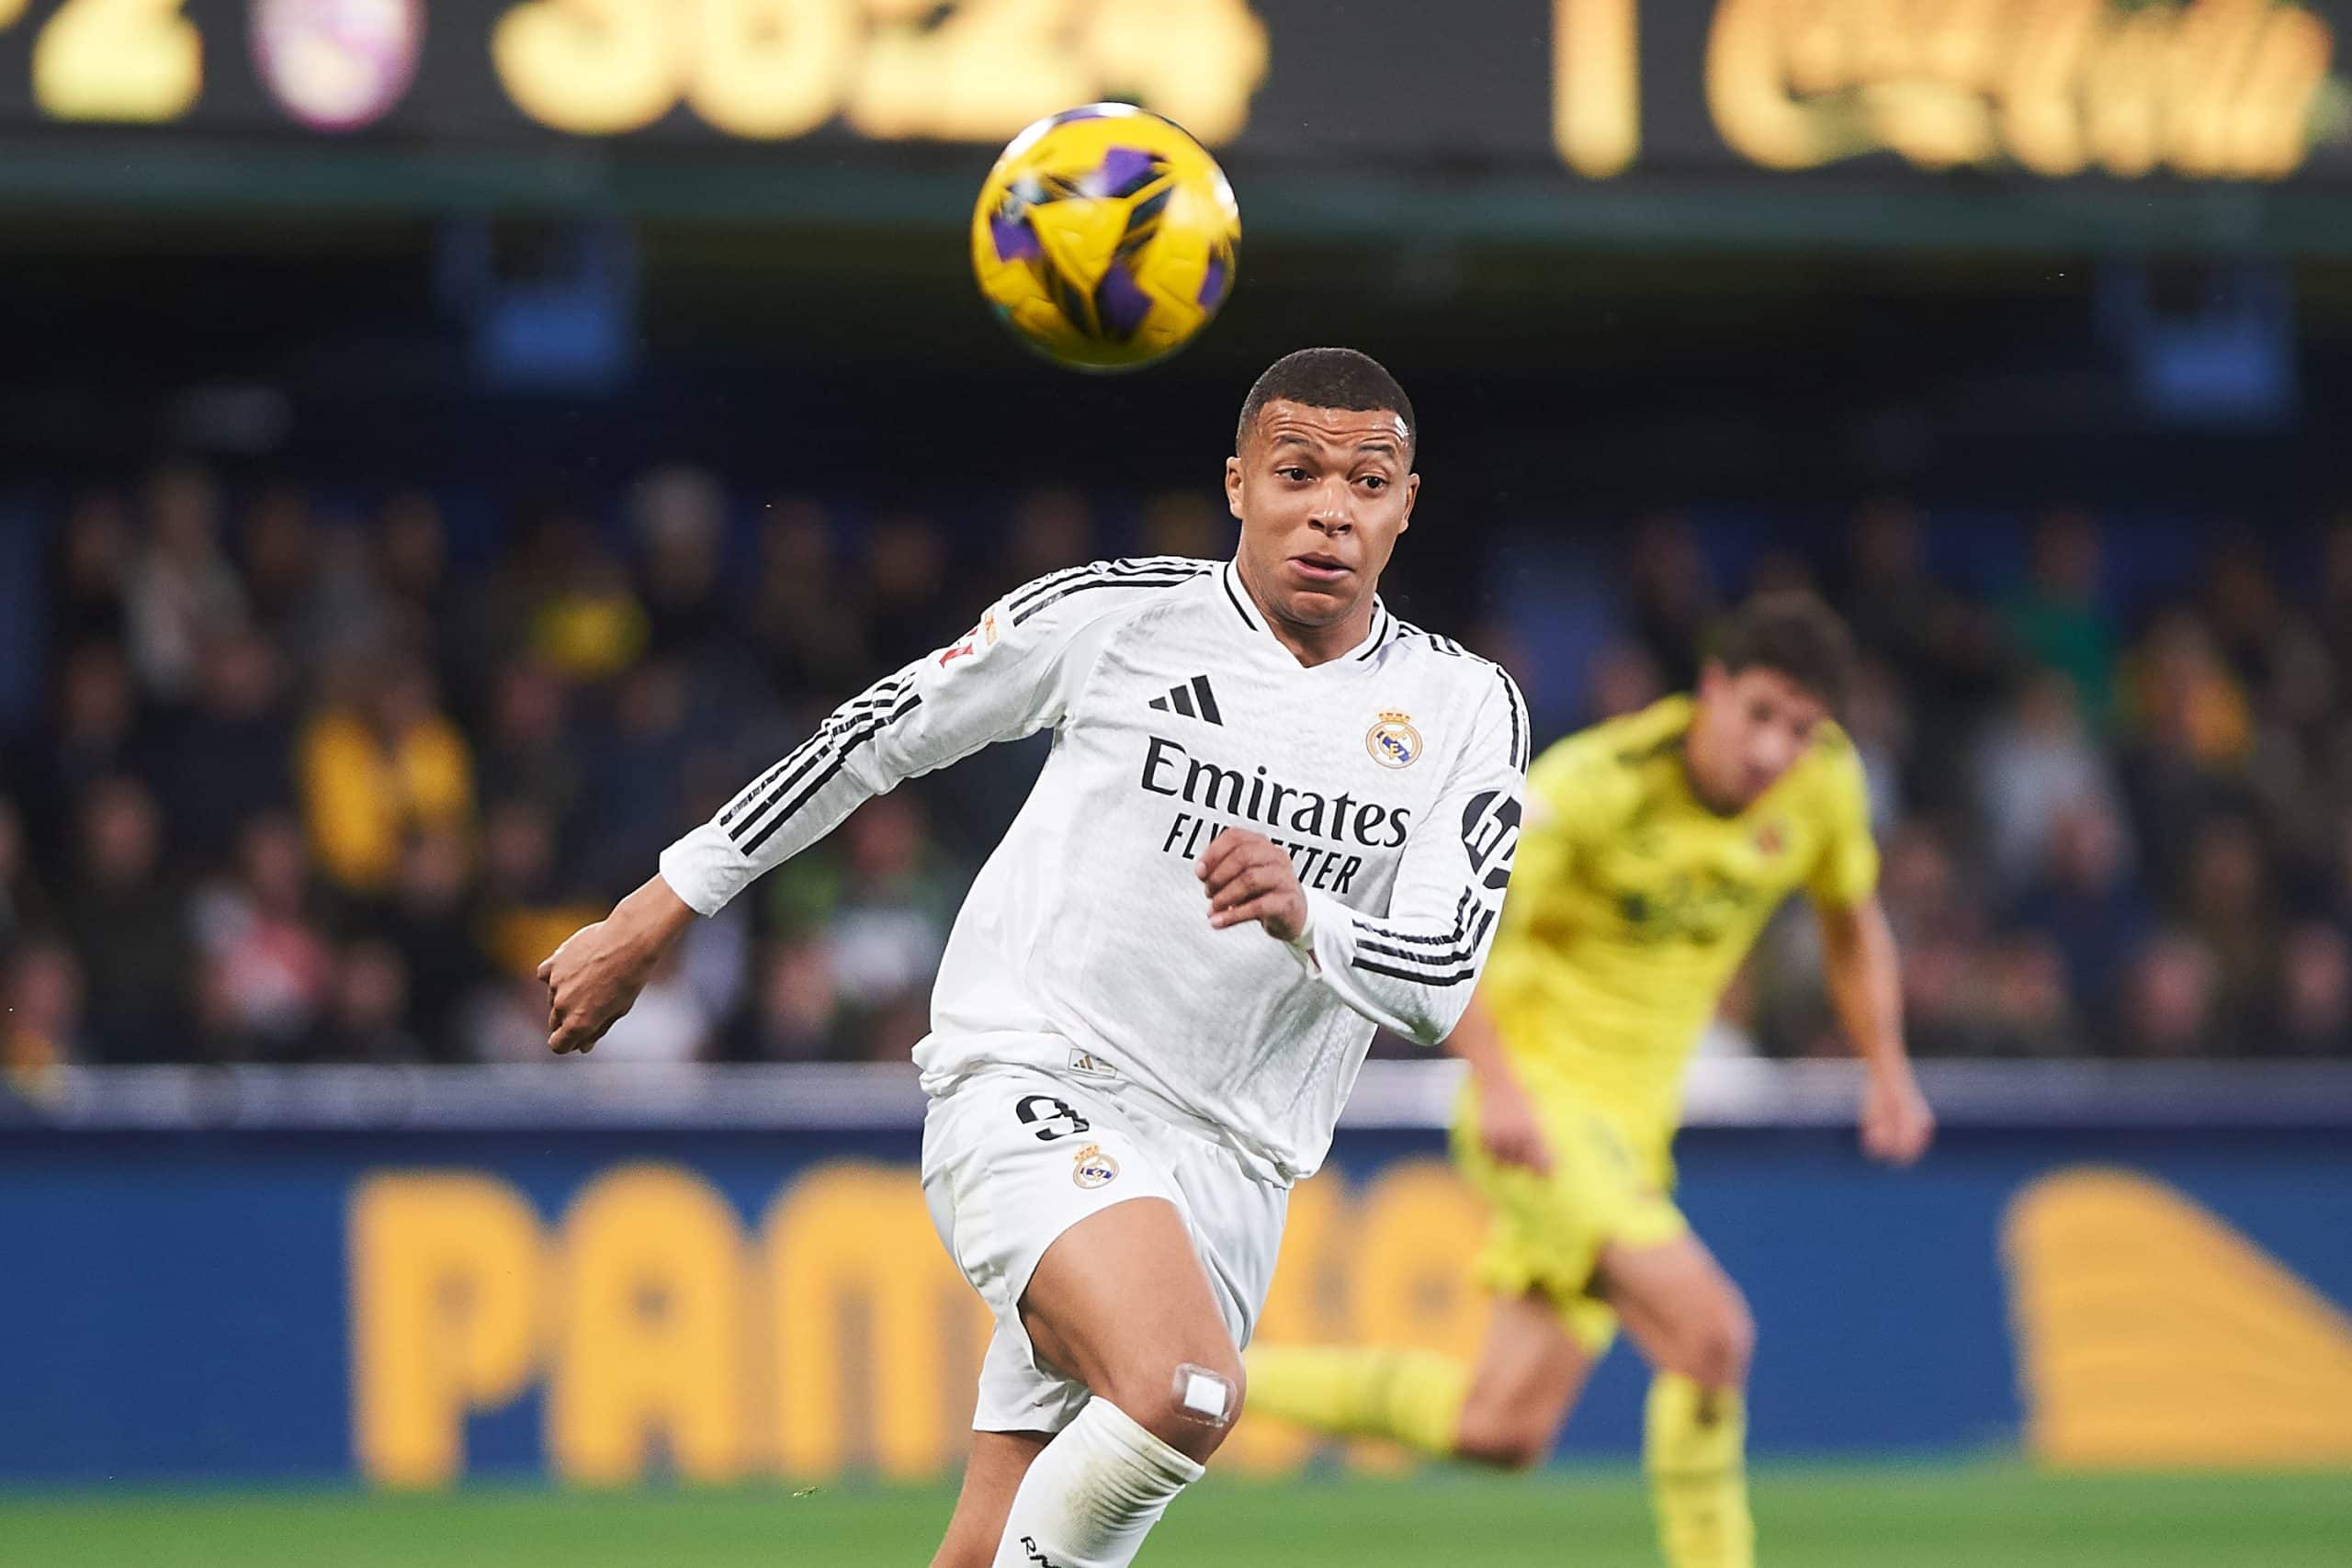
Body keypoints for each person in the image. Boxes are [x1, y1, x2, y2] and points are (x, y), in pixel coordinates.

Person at [536, 348, 1530, 1568]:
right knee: (1186, 1389)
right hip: (1036, 1077)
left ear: (1406, 503)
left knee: (991, 1540)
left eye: (1366, 480)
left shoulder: (1466, 706)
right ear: (1237, 485)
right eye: (1296, 471)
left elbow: (1436, 981)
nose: (1330, 506)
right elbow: (877, 734)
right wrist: (655, 909)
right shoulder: (1117, 618)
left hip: (1236, 1163)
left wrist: (1307, 913)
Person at [1246, 591, 1935, 1568]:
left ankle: (1200, 1382)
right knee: (1711, 1337)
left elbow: (1849, 917)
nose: (1777, 750)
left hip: (1632, 1132)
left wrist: (1887, 1069)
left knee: (1500, 1429)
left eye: (1802, 727)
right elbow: (1452, 937)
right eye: (1762, 715)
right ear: (1712, 689)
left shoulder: (1823, 786)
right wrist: (1499, 1086)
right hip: (1536, 1110)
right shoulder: (1587, 787)